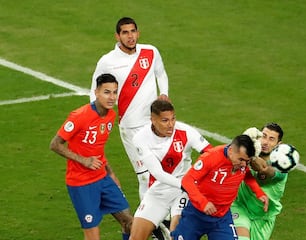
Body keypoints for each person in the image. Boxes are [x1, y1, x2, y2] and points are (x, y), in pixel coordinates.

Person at [89, 17, 170, 201]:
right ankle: (149, 219)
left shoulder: (150, 52)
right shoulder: (108, 61)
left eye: (133, 31)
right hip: (130, 126)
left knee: (161, 170)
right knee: (144, 175)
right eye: (125, 32)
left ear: (138, 33)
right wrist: (96, 115)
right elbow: (94, 89)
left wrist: (163, 93)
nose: (130, 36)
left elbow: (161, 73)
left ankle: (160, 216)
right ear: (117, 36)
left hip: (154, 123)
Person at [50, 73, 133, 240]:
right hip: (81, 184)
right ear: (96, 92)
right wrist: (84, 160)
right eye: (107, 92)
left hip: (102, 178)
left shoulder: (110, 116)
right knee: (93, 236)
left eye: (115, 92)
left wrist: (110, 173)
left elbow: (98, 148)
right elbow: (55, 144)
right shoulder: (79, 116)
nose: (112, 97)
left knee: (129, 222)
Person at [129, 100, 212, 240]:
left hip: (184, 190)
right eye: (165, 120)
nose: (171, 124)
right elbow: (157, 173)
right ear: (153, 120)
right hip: (161, 189)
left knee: (177, 234)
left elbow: (211, 153)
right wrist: (185, 185)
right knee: (136, 237)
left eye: (173, 118)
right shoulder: (140, 138)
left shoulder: (186, 132)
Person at [171, 135, 269, 240]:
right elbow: (187, 180)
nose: (244, 164)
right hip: (196, 215)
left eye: (247, 161)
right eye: (241, 159)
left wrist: (259, 192)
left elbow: (246, 174)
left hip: (221, 218)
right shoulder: (211, 157)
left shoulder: (241, 163)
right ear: (231, 150)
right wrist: (203, 202)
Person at [231, 123, 287, 240]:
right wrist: (241, 144)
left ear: (278, 144)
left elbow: (266, 171)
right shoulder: (244, 157)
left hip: (264, 217)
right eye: (264, 136)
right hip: (240, 207)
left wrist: (253, 157)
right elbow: (225, 156)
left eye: (271, 139)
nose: (265, 142)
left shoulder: (281, 166)